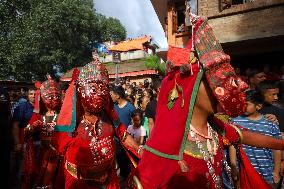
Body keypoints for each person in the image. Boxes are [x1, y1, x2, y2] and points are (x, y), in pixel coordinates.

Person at [128, 14, 284, 189]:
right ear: (190, 86)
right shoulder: (167, 142)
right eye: (212, 82)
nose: (219, 91)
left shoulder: (216, 127)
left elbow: (247, 137)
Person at [52, 52, 140, 189]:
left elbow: (124, 136)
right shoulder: (69, 123)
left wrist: (141, 150)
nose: (100, 93)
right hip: (79, 183)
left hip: (109, 179)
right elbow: (55, 155)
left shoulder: (110, 117)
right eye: (93, 88)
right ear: (80, 91)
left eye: (104, 88)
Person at [231, 90, 281, 188]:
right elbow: (233, 144)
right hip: (244, 172)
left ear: (258, 106)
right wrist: (234, 166)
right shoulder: (235, 122)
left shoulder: (270, 124)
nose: (243, 106)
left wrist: (276, 171)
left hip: (266, 171)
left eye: (246, 104)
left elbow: (277, 148)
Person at [22, 76, 62, 189]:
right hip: (43, 154)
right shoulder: (39, 115)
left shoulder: (63, 114)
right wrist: (31, 128)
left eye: (56, 95)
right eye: (50, 96)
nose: (53, 98)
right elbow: (26, 131)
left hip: (59, 154)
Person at [11, 87, 36, 188]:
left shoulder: (43, 106)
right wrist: (17, 143)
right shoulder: (22, 106)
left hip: (39, 143)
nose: (33, 96)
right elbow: (15, 125)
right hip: (24, 142)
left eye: (35, 94)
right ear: (27, 95)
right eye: (31, 94)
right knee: (22, 169)